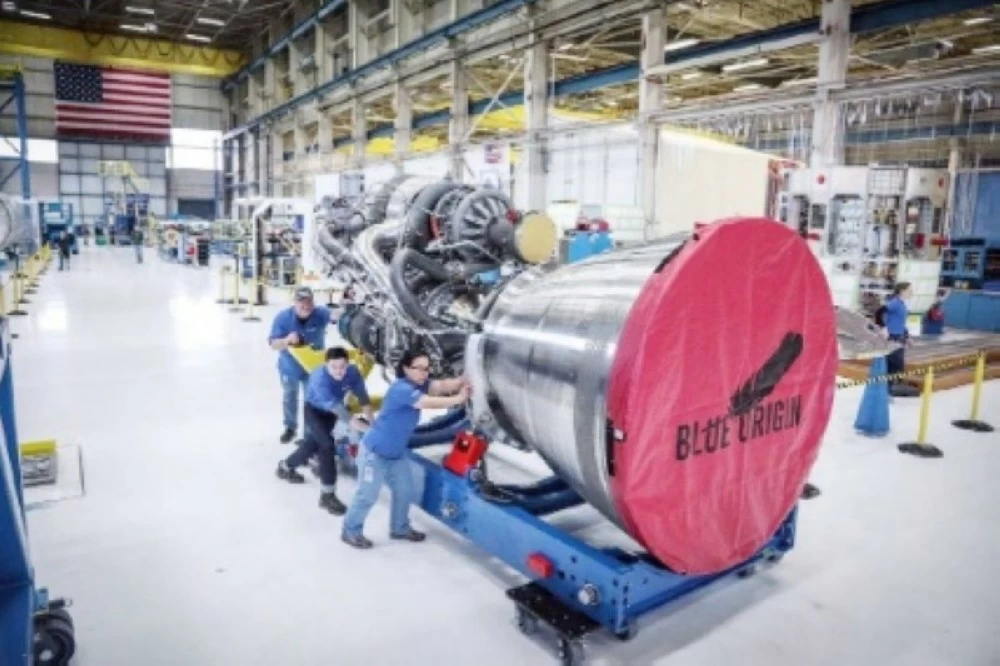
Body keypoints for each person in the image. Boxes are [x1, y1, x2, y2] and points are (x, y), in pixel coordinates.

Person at [342, 349, 469, 549]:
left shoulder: (420, 383)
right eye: (418, 368)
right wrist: (459, 399)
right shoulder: (401, 388)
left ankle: (399, 528)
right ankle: (350, 530)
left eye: (426, 368)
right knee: (367, 495)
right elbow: (426, 402)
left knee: (405, 491)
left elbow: (442, 385)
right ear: (406, 368)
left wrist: (463, 380)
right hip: (375, 453)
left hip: (396, 454)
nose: (424, 372)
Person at [276, 347, 374, 514]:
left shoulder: (353, 373)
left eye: (342, 366)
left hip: (330, 414)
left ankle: (285, 467)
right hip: (314, 412)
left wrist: (373, 423)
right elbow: (344, 415)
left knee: (312, 444)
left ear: (348, 364)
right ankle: (327, 496)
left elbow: (364, 399)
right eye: (333, 367)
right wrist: (369, 430)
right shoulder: (319, 379)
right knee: (327, 446)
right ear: (326, 365)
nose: (339, 371)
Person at [268, 286, 335, 443]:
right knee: (289, 397)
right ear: (294, 303)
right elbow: (273, 344)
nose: (305, 306)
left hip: (312, 369)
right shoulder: (283, 318)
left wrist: (342, 311)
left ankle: (309, 435)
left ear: (313, 302)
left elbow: (335, 316)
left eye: (308, 302)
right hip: (289, 368)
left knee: (310, 401)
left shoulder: (320, 314)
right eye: (301, 302)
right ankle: (290, 428)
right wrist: (286, 340)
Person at [881, 281, 913, 394]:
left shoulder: (902, 304)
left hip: (900, 336)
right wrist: (884, 328)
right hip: (892, 337)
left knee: (896, 364)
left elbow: (901, 323)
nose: (911, 292)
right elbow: (880, 312)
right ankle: (889, 388)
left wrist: (907, 336)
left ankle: (890, 388)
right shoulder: (894, 303)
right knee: (895, 363)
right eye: (909, 290)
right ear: (902, 291)